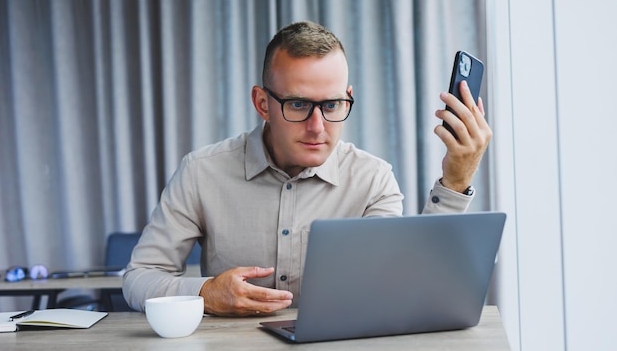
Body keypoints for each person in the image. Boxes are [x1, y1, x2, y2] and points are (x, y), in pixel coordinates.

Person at [123, 21, 491, 316]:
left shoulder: (373, 180)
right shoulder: (202, 172)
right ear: (262, 103)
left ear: (348, 98)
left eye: (331, 105)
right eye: (298, 105)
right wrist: (205, 292)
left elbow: (409, 290)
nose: (317, 127)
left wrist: (455, 182)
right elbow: (139, 277)